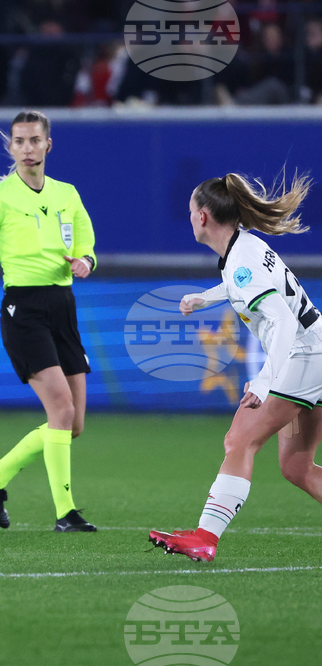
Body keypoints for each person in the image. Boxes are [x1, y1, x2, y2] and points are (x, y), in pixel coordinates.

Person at [150, 173, 322, 562]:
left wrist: (264, 382)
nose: (190, 217)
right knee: (296, 466)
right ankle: (205, 534)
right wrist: (204, 298)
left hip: (304, 355)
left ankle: (206, 537)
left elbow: (283, 322)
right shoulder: (241, 249)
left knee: (239, 439)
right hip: (316, 350)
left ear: (204, 216)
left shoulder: (242, 260)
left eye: (191, 211)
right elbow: (240, 286)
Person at [0, 109, 98, 533]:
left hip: (63, 306)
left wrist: (86, 261)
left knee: (73, 424)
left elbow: (87, 242)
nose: (27, 148)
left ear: (48, 145)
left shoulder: (67, 194)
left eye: (34, 140)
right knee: (60, 408)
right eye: (19, 141)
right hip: (22, 310)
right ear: (11, 147)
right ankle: (66, 513)